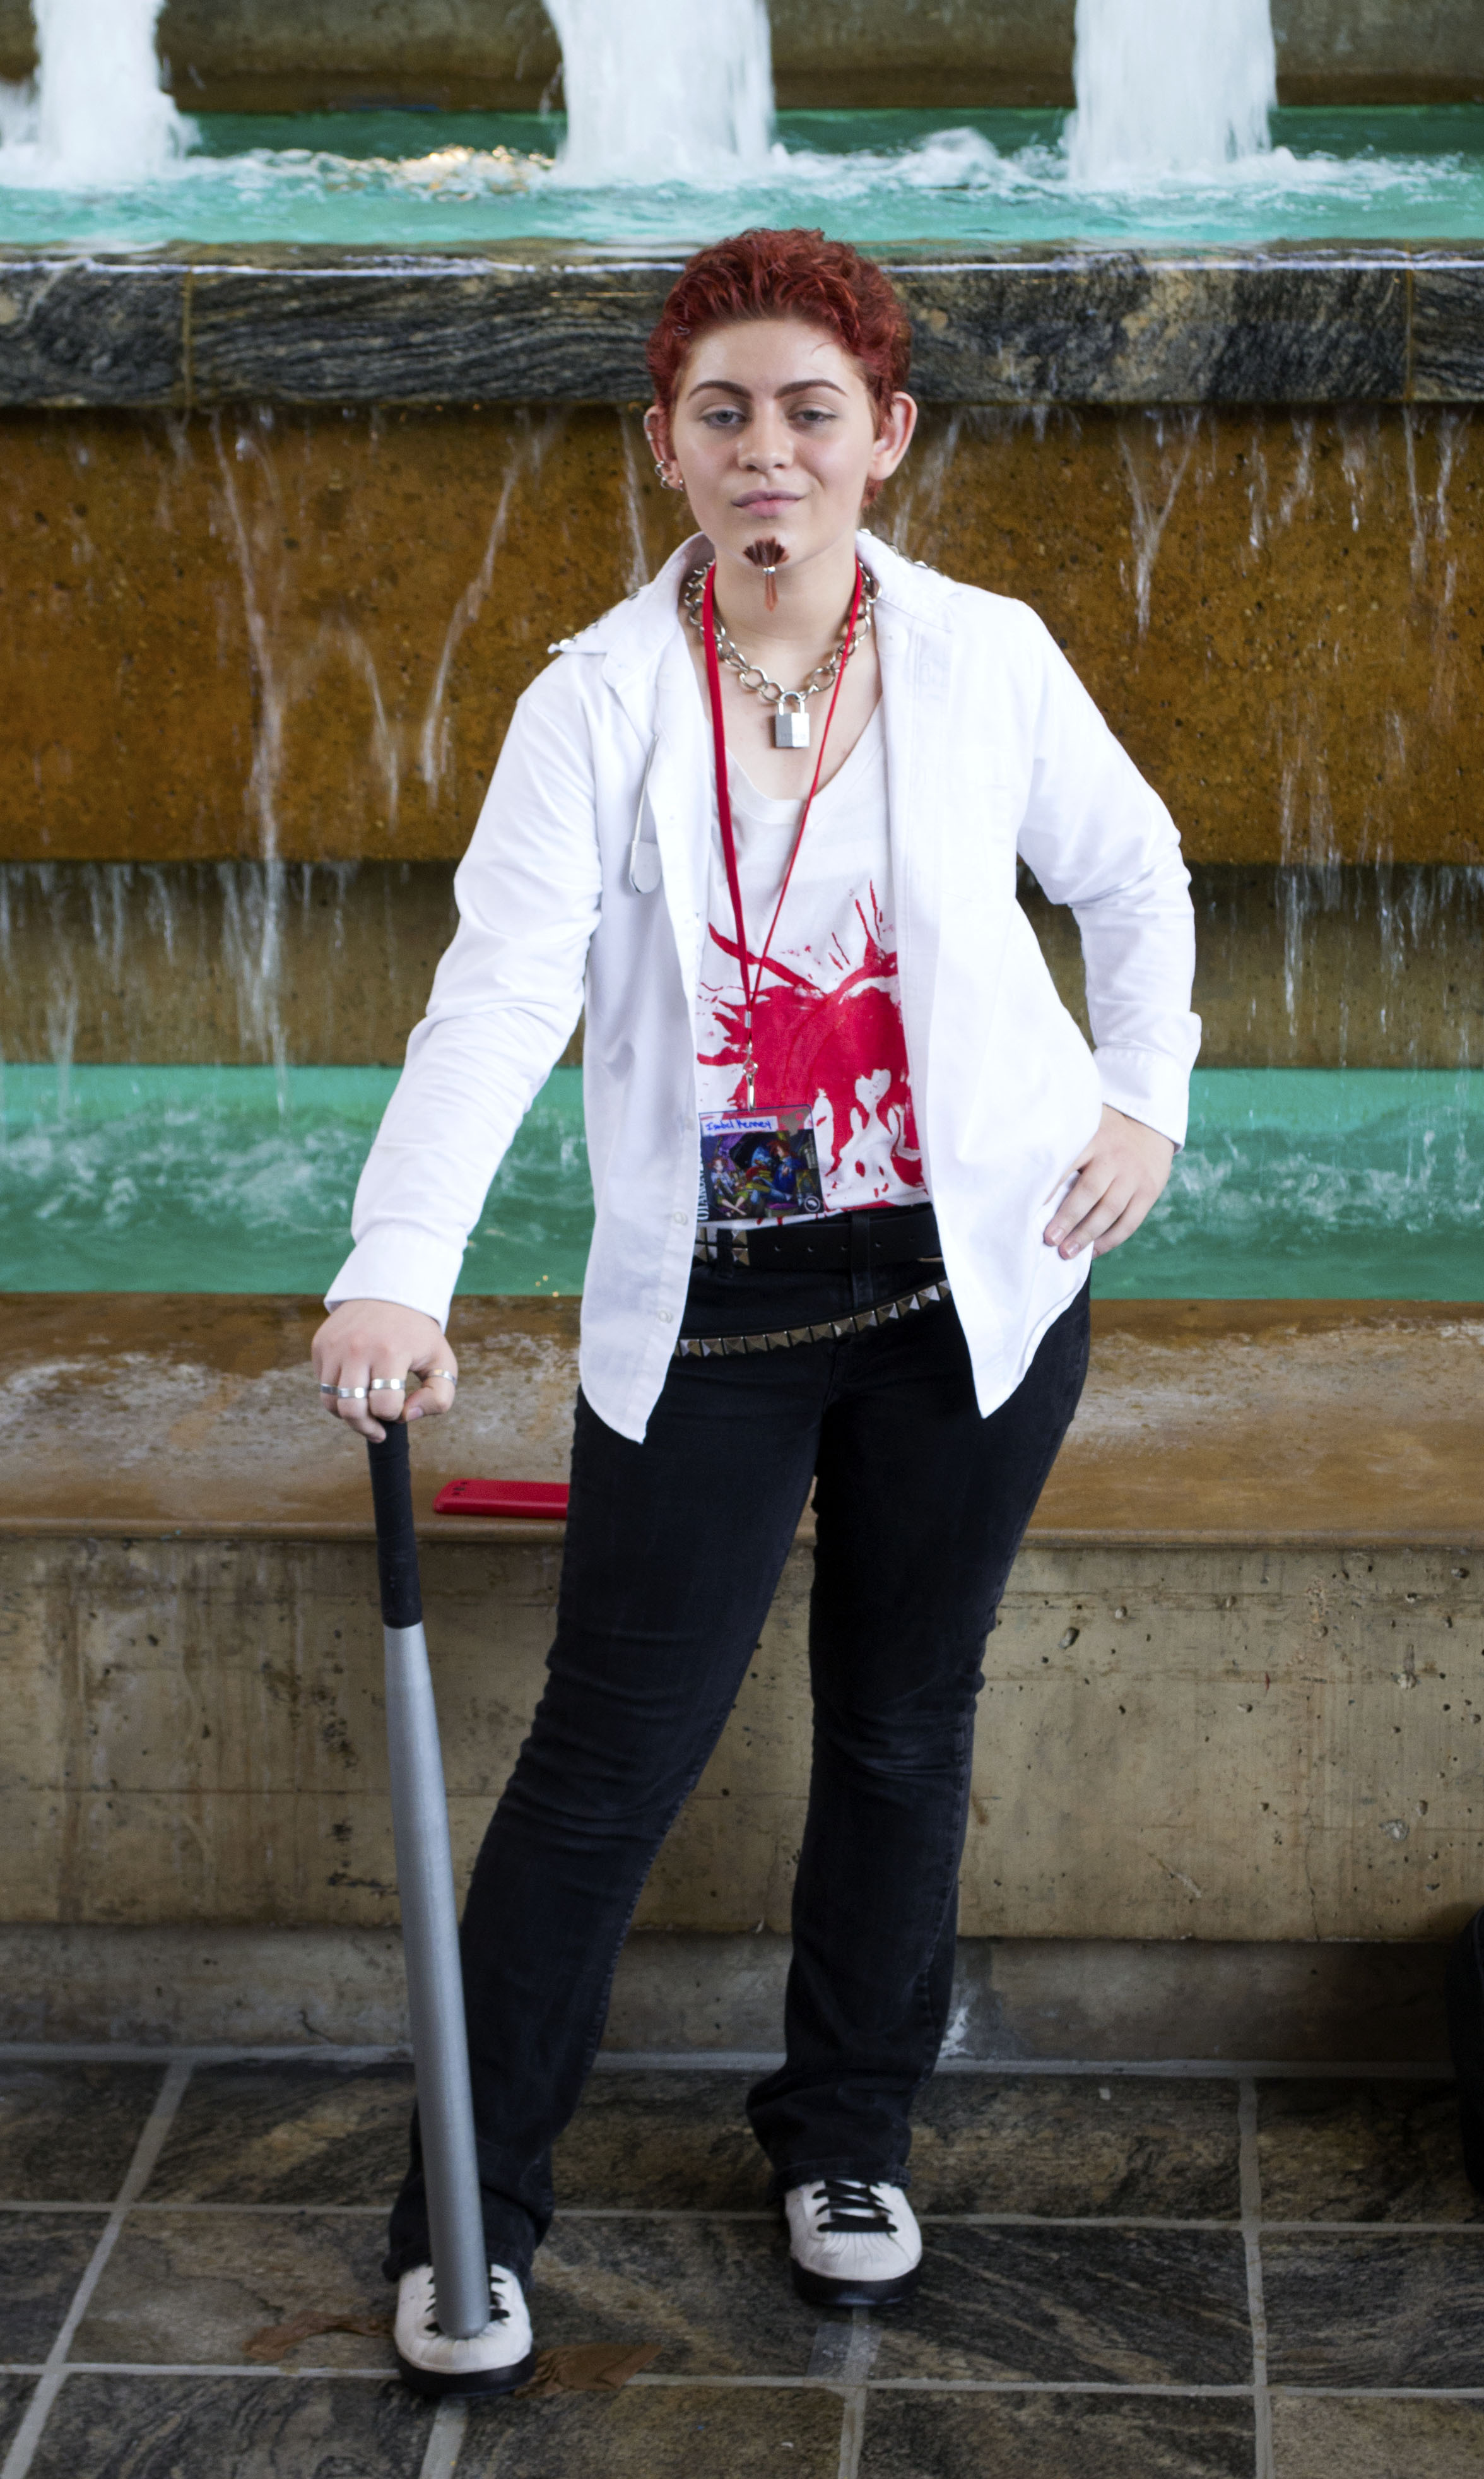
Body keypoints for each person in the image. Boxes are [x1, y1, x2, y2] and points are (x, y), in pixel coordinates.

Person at [314, 226, 1200, 2396]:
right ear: (668, 449)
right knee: (608, 1759)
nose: (768, 450)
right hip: (715, 1300)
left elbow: (1135, 873)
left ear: (886, 437)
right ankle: (468, 2209)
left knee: (903, 1726)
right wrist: (396, 1268)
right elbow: (498, 996)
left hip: (969, 1287)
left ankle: (849, 2141)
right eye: (724, 413)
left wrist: (1145, 1102)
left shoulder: (985, 656)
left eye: (812, 410)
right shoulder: (594, 702)